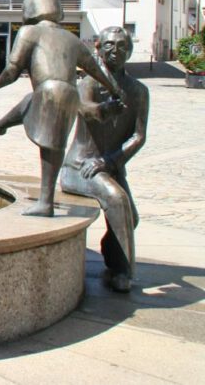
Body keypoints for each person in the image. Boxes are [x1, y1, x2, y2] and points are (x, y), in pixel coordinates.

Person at [0, 0, 125, 217]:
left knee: (49, 148)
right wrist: (114, 89)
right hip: (70, 94)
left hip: (49, 90)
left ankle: (46, 202)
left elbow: (13, 69)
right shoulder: (71, 38)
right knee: (40, 118)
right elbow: (93, 68)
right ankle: (2, 124)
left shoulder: (28, 32)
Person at [61, 26, 148, 292]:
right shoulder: (89, 83)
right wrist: (102, 109)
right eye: (109, 45)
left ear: (130, 52)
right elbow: (84, 108)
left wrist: (110, 162)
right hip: (80, 166)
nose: (115, 51)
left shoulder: (138, 91)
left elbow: (138, 136)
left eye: (122, 46)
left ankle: (111, 259)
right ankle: (125, 273)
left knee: (130, 218)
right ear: (98, 48)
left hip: (109, 165)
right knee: (117, 200)